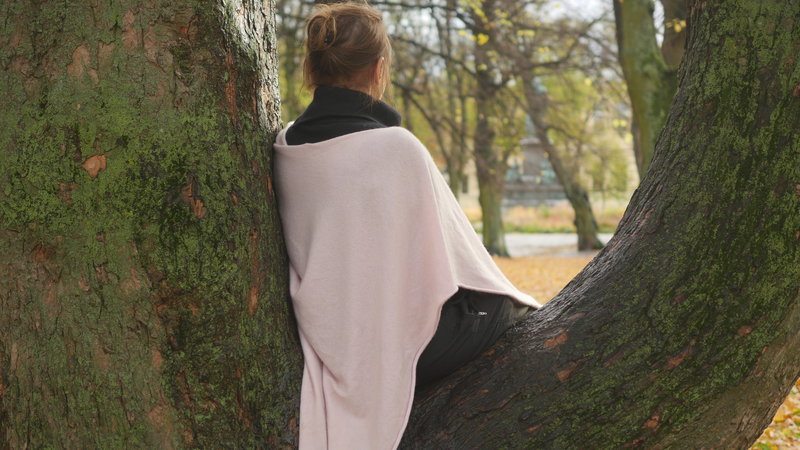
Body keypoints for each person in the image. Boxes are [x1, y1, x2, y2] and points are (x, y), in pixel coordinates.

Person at [273, 3, 541, 449]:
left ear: (312, 69)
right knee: (499, 306)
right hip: (405, 349)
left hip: (331, 342)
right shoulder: (396, 148)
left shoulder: (286, 148)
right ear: (379, 70)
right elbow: (463, 258)